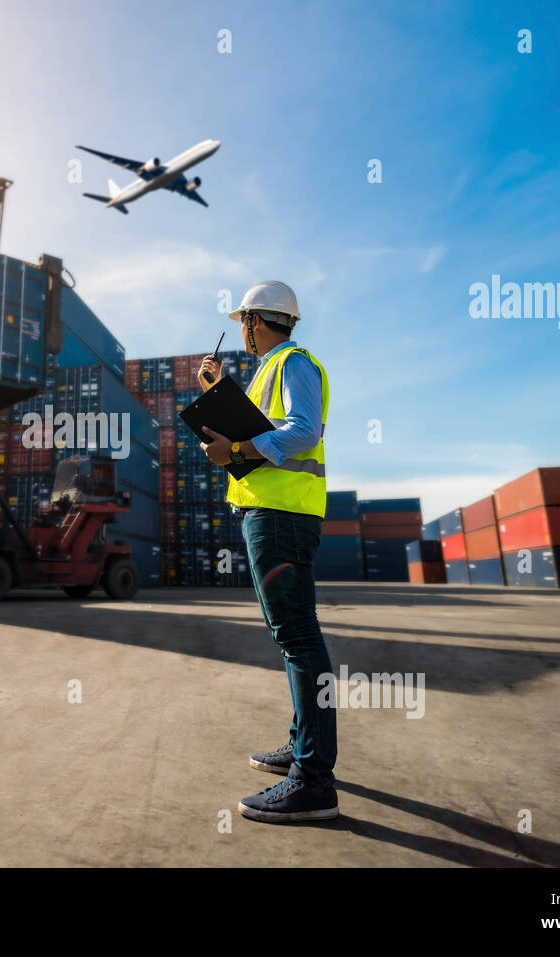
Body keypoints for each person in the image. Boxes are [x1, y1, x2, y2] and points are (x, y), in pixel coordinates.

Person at [196, 280, 338, 823]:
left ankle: (314, 781)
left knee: (300, 639)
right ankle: (302, 747)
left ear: (257, 320)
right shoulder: (268, 371)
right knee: (292, 638)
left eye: (243, 321)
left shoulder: (295, 363)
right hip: (270, 512)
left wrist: (235, 448)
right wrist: (219, 390)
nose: (240, 330)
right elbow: (261, 429)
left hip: (283, 517)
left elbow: (303, 431)